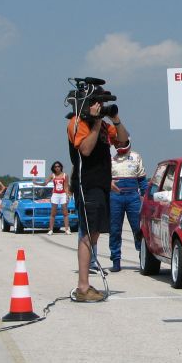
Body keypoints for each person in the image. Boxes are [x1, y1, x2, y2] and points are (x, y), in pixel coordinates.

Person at [68, 87, 129, 302]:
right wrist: (94, 123)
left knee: (94, 234)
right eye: (97, 103)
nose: (100, 107)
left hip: (102, 185)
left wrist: (115, 119)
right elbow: (85, 149)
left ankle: (85, 285)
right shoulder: (77, 122)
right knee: (87, 233)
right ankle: (82, 287)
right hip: (87, 184)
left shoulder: (103, 125)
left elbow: (123, 141)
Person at [109, 141, 147, 272]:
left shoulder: (136, 156)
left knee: (138, 228)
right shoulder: (109, 157)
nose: (120, 145)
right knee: (115, 229)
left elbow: (142, 180)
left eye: (122, 142)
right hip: (115, 197)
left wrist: (145, 197)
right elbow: (103, 177)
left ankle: (143, 258)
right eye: (117, 142)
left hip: (133, 197)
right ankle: (116, 260)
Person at [45, 161, 71, 235]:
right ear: (53, 168)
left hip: (63, 194)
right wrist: (36, 183)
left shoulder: (65, 175)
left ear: (61, 167)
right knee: (53, 213)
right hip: (55, 194)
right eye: (55, 167)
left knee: (65, 212)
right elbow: (45, 183)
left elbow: (66, 186)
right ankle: (51, 230)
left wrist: (67, 196)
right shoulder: (52, 175)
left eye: (58, 166)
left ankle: (67, 229)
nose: (57, 168)